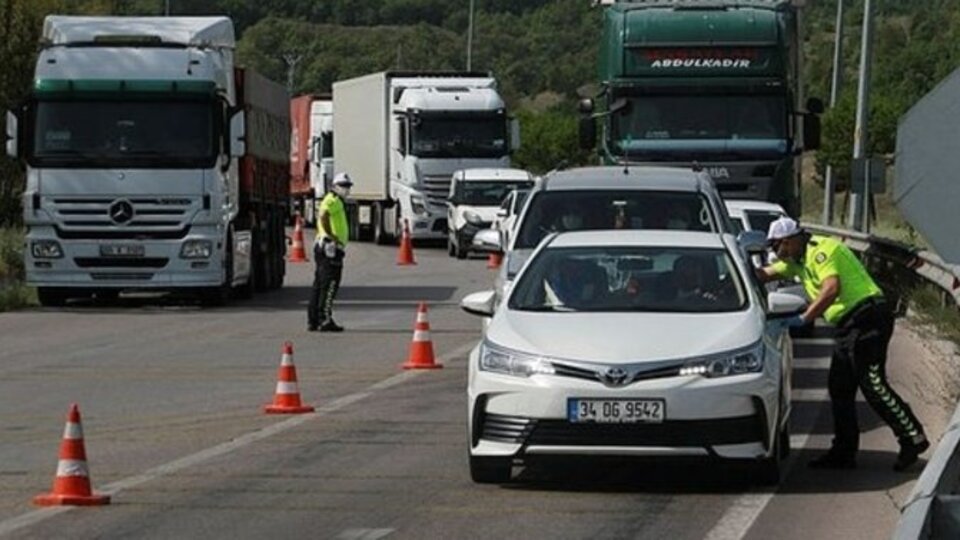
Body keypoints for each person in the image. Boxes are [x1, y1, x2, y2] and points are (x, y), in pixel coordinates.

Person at [757, 217, 928, 471]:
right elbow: (765, 274)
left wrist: (804, 318)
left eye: (776, 245)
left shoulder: (821, 252)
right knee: (840, 387)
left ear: (790, 240)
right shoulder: (797, 261)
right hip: (848, 325)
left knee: (873, 384)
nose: (775, 252)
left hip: (868, 318)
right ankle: (844, 452)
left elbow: (831, 288)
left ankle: (912, 437)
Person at [307, 173, 352, 332]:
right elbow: (324, 215)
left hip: (325, 247)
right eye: (343, 186)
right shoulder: (333, 200)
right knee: (330, 284)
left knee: (320, 284)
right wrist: (331, 235)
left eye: (348, 186)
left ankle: (314, 319)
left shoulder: (333, 200)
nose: (346, 189)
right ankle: (324, 319)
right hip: (329, 248)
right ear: (335, 186)